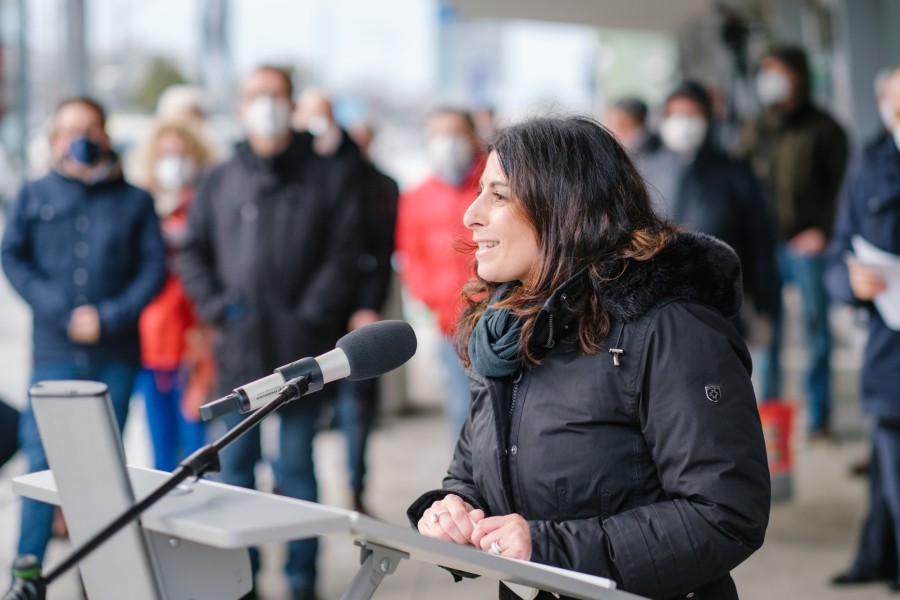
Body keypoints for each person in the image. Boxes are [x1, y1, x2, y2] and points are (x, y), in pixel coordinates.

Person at [407, 116, 770, 599]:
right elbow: (473, 472)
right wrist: (454, 508)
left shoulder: (671, 327)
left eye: (498, 195)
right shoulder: (504, 328)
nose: (471, 214)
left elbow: (724, 514)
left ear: (564, 207)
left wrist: (547, 549)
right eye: (479, 192)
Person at [178, 65, 361, 600]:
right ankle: (244, 581)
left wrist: (310, 313)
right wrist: (216, 305)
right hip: (236, 352)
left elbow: (343, 254)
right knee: (235, 471)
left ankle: (301, 579)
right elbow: (192, 250)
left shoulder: (325, 175)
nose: (266, 104)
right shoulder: (220, 177)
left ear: (293, 103)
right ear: (240, 106)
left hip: (299, 354)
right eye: (256, 96)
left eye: (276, 95)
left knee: (298, 471)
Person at [1, 96, 166, 566]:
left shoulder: (135, 201)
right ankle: (28, 575)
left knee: (101, 467)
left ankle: (101, 573)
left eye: (91, 128)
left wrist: (109, 316)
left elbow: (153, 267)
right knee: (41, 462)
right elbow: (12, 257)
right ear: (55, 140)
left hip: (114, 351)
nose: (81, 139)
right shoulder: (32, 194)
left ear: (106, 136)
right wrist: (62, 311)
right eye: (71, 130)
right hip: (52, 348)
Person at [737, 45, 848, 435]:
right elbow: (742, 184)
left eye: (777, 70)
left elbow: (841, 189)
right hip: (764, 248)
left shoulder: (825, 128)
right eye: (765, 70)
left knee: (818, 331)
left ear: (798, 74)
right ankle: (768, 421)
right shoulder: (756, 127)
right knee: (769, 334)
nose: (770, 78)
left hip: (807, 246)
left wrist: (823, 230)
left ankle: (819, 417)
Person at [826, 66, 900, 593]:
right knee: (890, 461)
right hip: (888, 351)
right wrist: (854, 283)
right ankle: (879, 556)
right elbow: (838, 254)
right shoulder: (868, 166)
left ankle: (878, 555)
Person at [640, 81, 780, 341]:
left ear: (708, 118)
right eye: (677, 115)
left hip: (721, 302)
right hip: (657, 305)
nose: (685, 124)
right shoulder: (645, 170)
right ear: (664, 119)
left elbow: (760, 238)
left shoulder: (734, 172)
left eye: (693, 115)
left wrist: (765, 303)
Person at [133, 120, 218, 472]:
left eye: (180, 155)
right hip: (149, 342)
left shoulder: (207, 205)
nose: (172, 162)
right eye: (165, 154)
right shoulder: (139, 206)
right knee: (160, 448)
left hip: (194, 339)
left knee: (199, 445)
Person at [395, 108, 483, 441]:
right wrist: (430, 296)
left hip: (498, 315)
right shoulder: (417, 196)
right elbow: (410, 254)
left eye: (455, 133)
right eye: (438, 134)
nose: (446, 143)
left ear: (472, 136)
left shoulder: (493, 184)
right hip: (451, 322)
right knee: (461, 411)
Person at [329, 120, 400, 514]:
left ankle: (355, 488)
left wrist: (369, 305)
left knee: (358, 403)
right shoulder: (317, 180)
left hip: (359, 311)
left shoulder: (380, 186)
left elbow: (381, 254)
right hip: (314, 315)